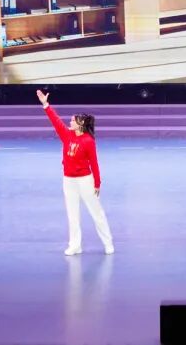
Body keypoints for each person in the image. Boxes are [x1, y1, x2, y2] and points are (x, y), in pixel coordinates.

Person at [37, 89, 114, 256]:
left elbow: (94, 163)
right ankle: (75, 245)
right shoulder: (67, 135)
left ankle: (108, 243)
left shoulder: (88, 141)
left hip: (85, 180)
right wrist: (46, 105)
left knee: (96, 212)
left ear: (81, 124)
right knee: (72, 214)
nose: (70, 121)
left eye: (73, 120)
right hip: (69, 181)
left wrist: (97, 183)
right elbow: (55, 121)